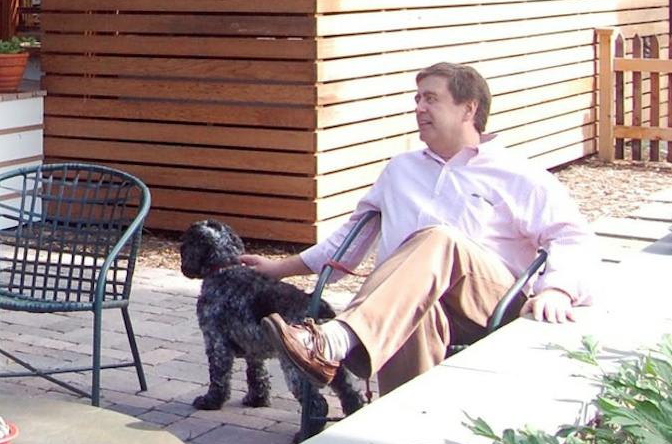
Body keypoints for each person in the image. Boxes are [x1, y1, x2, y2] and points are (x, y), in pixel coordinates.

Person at [249, 62, 597, 393]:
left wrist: (557, 289)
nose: (419, 108)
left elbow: (571, 235)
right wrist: (281, 268)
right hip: (412, 300)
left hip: (491, 303)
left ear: (468, 109)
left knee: (439, 238)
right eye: (417, 99)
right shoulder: (400, 170)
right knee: (412, 309)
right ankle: (399, 432)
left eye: (431, 98)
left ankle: (336, 339)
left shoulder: (516, 173)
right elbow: (349, 240)